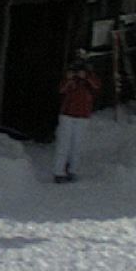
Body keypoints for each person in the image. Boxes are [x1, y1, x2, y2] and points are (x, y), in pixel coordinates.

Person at [54, 54, 100, 183]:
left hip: (83, 115)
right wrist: (70, 79)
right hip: (67, 114)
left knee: (77, 144)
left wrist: (86, 76)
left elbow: (96, 85)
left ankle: (73, 170)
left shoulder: (89, 78)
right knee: (64, 143)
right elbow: (61, 89)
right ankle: (58, 171)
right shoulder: (69, 79)